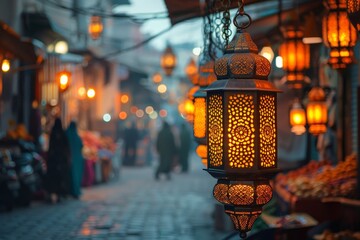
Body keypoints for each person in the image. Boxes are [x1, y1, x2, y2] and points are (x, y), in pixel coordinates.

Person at [46, 118, 71, 203]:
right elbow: (66, 148)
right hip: (59, 160)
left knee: (55, 178)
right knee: (59, 178)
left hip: (55, 160)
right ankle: (59, 194)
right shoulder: (62, 134)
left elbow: (50, 148)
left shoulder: (54, 134)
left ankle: (56, 194)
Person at [65, 121, 84, 199]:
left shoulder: (67, 134)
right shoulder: (76, 136)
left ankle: (70, 191)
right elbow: (81, 145)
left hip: (69, 158)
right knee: (76, 175)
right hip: (78, 159)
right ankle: (75, 191)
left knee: (71, 175)